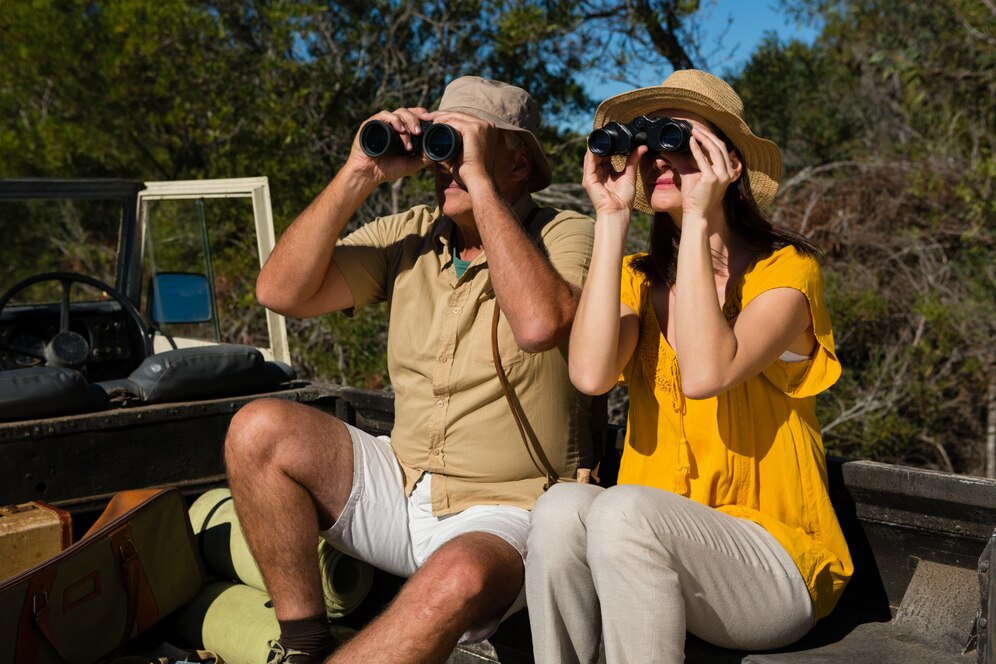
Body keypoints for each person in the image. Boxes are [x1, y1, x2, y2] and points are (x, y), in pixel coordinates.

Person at [223, 76, 594, 664]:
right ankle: (303, 647)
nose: (445, 164)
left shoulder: (566, 233)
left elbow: (541, 325)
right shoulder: (412, 234)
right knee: (257, 429)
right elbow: (280, 291)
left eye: (465, 143)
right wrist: (359, 174)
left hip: (508, 510)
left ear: (518, 161)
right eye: (441, 145)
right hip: (401, 481)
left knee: (457, 579)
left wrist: (479, 186)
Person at [524, 69, 853, 663]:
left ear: (728, 162)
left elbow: (706, 372)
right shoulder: (635, 278)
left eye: (682, 139)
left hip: (775, 565)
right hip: (654, 552)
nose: (660, 159)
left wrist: (701, 220)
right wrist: (610, 217)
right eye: (649, 146)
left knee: (623, 508)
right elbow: (590, 375)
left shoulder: (785, 273)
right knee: (557, 510)